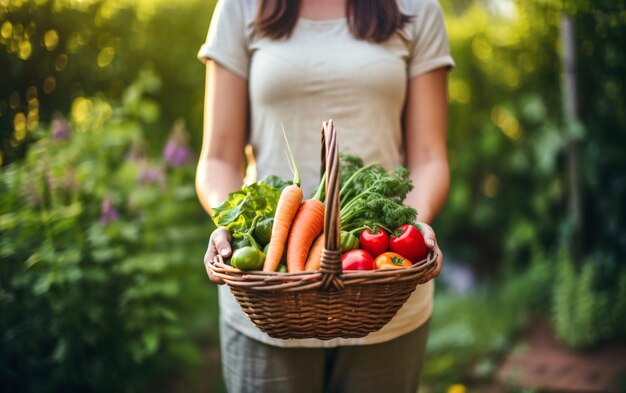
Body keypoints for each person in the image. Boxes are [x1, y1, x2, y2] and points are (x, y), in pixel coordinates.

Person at [196, 0, 453, 391]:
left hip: (383, 282)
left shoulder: (418, 8)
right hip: (267, 295)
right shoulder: (241, 6)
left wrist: (412, 223)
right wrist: (228, 224)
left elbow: (431, 157)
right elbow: (217, 158)